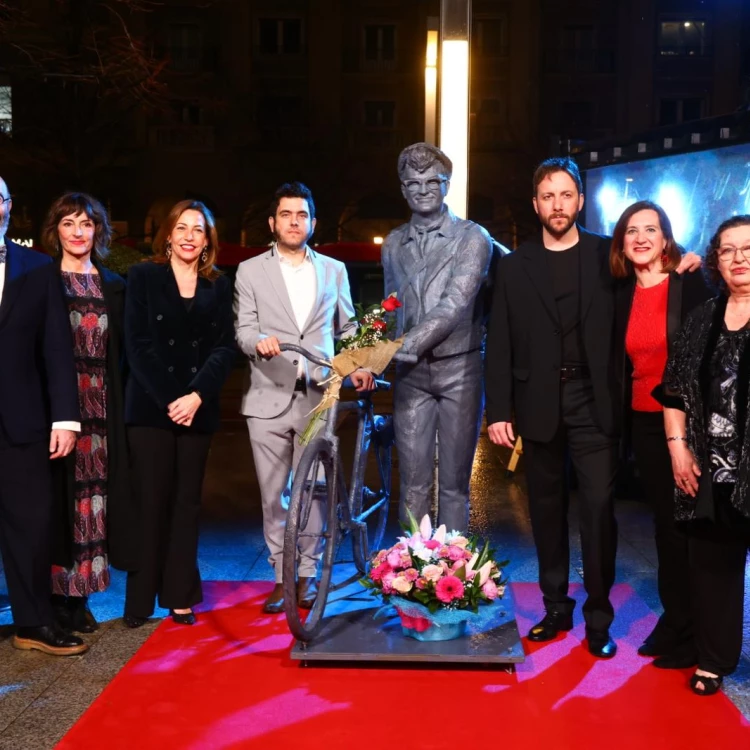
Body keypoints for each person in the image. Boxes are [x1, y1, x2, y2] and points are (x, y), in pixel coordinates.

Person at [485, 157, 700, 659]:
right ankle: (555, 606)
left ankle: (598, 619)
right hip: (535, 404)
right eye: (547, 196)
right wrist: (498, 409)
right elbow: (499, 343)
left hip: (597, 401)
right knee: (545, 511)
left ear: (580, 201)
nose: (557, 205)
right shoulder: (514, 266)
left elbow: (655, 277)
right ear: (536, 204)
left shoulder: (611, 256)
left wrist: (686, 262)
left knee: (600, 512)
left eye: (566, 195)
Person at [234, 181, 374, 614]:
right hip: (266, 395)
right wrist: (259, 341)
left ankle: (308, 576)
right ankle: (281, 576)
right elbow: (242, 331)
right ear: (273, 222)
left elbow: (347, 328)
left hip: (318, 395)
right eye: (286, 215)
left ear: (313, 222)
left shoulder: (334, 270)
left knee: (313, 490)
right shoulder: (250, 270)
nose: (294, 222)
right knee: (273, 493)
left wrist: (362, 362)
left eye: (302, 215)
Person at [123, 199, 235, 627]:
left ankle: (179, 594)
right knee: (150, 501)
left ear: (208, 240)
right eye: (182, 228)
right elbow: (138, 345)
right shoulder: (144, 276)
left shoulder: (218, 284)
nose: (190, 236)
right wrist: (174, 398)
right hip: (151, 408)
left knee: (186, 504)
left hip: (198, 409)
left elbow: (225, 346)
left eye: (199, 230)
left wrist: (196, 396)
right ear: (167, 234)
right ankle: (139, 601)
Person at [612, 201, 711, 668]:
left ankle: (695, 631)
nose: (641, 238)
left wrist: (688, 438)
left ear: (667, 239)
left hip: (686, 422)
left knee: (690, 527)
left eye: (650, 229)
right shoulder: (619, 291)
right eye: (632, 230)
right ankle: (676, 621)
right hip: (643, 422)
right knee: (665, 528)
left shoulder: (688, 284)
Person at [658, 215, 750, 695]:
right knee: (713, 567)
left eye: (748, 249)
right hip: (713, 468)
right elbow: (673, 393)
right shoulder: (701, 319)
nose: (738, 259)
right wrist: (678, 449)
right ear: (716, 259)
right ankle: (714, 659)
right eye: (728, 250)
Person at [381, 143, 493, 532]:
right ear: (403, 189)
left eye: (432, 181)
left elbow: (455, 303)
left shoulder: (472, 237)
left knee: (453, 486)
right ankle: (408, 573)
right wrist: (367, 345)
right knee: (411, 483)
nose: (423, 189)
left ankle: (452, 576)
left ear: (447, 185)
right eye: (413, 183)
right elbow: (390, 305)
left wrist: (403, 346)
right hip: (411, 377)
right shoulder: (394, 243)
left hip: (459, 368)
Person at [0, 175, 87, 656]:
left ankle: (32, 623)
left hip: (23, 421)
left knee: (31, 526)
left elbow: (57, 347)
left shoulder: (36, 267)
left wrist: (66, 419)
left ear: (8, 207)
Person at [40, 192, 131, 635]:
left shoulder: (113, 283)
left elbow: (125, 353)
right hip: (58, 406)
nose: (78, 233)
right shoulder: (43, 280)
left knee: (93, 502)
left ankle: (82, 597)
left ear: (99, 231)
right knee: (59, 501)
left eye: (87, 224)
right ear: (55, 231)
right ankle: (56, 597)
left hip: (102, 408)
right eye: (69, 224)